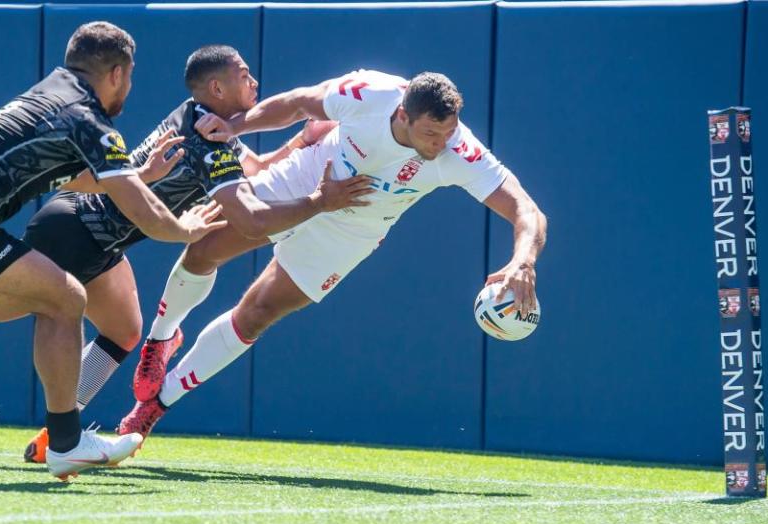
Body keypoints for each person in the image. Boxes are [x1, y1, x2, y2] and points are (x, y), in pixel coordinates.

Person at [0, 45, 367, 462]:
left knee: (123, 331)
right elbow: (250, 220)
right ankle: (66, 434)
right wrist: (319, 202)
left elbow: (258, 169)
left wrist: (304, 138)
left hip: (104, 242)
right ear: (217, 86)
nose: (254, 82)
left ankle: (59, 437)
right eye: (244, 75)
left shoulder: (210, 124)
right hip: (73, 232)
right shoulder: (205, 139)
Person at [117, 69, 547, 439]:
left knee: (258, 312)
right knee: (204, 248)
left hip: (351, 231)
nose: (440, 143)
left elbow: (527, 210)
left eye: (447, 132)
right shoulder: (371, 94)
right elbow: (299, 103)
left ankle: (158, 403)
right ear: (401, 114)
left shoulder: (459, 151)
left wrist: (523, 261)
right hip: (311, 175)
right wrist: (237, 127)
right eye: (430, 133)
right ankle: (161, 338)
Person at [0, 22, 224, 480]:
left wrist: (139, 174)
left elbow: (67, 175)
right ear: (117, 74)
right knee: (63, 299)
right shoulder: (89, 120)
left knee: (48, 304)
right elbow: (142, 213)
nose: (128, 87)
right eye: (129, 77)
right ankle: (65, 442)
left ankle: (64, 439)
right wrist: (184, 229)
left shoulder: (51, 92)